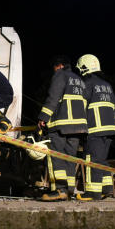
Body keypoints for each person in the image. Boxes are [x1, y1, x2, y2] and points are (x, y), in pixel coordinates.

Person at [38, 55, 88, 202]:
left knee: (58, 157)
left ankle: (60, 190)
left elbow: (53, 97)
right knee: (70, 158)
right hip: (78, 127)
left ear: (58, 66)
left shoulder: (60, 75)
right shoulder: (80, 80)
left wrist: (43, 117)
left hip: (62, 125)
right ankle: (70, 190)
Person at [77, 54, 115, 200]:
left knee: (92, 159)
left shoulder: (86, 83)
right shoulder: (107, 85)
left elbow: (80, 106)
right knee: (101, 159)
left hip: (95, 129)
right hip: (110, 129)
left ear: (83, 68)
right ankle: (107, 189)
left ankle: (92, 193)